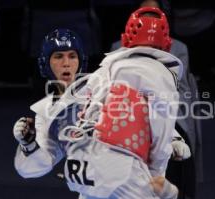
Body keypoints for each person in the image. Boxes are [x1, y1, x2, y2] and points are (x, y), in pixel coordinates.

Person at [13, 25, 187, 199]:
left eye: (72, 56)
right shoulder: (47, 112)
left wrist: (173, 136)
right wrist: (28, 144)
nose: (66, 63)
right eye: (58, 56)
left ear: (81, 60)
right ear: (45, 63)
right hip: (91, 185)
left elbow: (145, 108)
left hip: (127, 171)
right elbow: (34, 168)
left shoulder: (101, 81)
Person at [60, 6, 183, 199]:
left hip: (80, 161)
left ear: (126, 37)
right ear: (167, 43)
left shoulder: (105, 68)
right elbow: (161, 131)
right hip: (120, 163)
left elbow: (73, 106)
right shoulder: (161, 75)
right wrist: (156, 175)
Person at [112, 1, 203, 198]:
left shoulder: (176, 50)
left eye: (156, 15)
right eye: (145, 16)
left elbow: (178, 92)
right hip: (125, 123)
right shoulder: (116, 51)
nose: (150, 22)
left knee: (177, 152)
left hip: (166, 118)